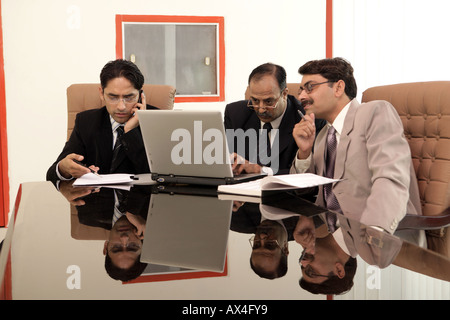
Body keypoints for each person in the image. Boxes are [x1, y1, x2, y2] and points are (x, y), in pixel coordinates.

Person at [290, 57, 423, 234]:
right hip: (331, 241)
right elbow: (303, 191)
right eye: (301, 90)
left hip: (380, 245)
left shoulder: (375, 113)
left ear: (338, 87)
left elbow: (390, 179)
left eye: (310, 87)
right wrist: (304, 152)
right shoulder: (323, 136)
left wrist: (373, 234)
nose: (301, 96)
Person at [46, 59, 157, 184]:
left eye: (129, 97)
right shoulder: (86, 122)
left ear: (141, 95)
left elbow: (161, 176)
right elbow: (51, 174)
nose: (121, 106)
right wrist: (64, 168)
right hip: (98, 200)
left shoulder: (157, 121)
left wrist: (130, 132)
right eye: (113, 97)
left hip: (144, 201)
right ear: (101, 93)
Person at [224, 63, 325, 175]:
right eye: (255, 100)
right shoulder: (235, 114)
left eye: (268, 101)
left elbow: (309, 175)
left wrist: (260, 171)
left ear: (284, 94)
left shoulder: (308, 119)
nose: (261, 109)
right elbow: (221, 160)